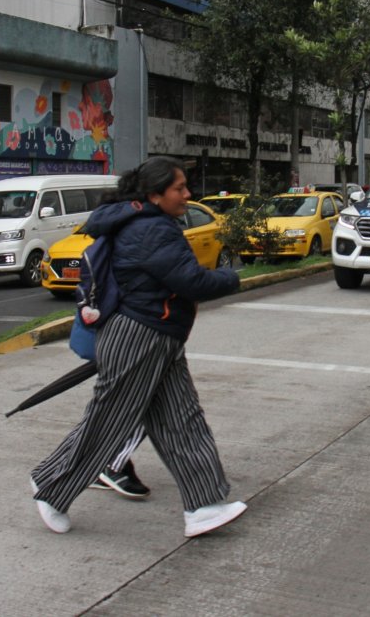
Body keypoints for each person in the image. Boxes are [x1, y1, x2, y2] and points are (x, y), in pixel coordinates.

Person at [29, 156, 246, 537]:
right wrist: (231, 278)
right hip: (141, 334)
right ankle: (52, 488)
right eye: (179, 188)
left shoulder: (143, 222)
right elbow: (190, 280)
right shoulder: (151, 229)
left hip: (158, 334)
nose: (187, 194)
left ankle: (204, 504)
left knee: (182, 420)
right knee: (110, 419)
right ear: (155, 193)